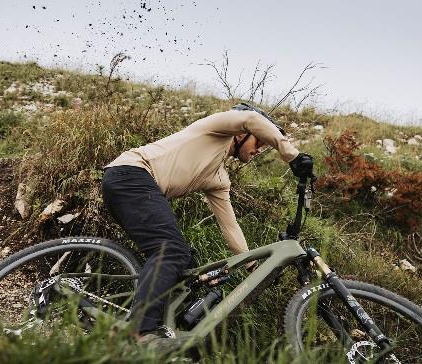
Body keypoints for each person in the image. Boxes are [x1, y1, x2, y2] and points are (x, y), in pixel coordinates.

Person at [101, 102, 313, 343]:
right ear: (242, 135)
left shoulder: (218, 178)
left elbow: (230, 227)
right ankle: (139, 330)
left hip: (131, 187)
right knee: (171, 250)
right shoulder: (216, 130)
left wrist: (254, 266)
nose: (258, 151)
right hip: (131, 175)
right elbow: (251, 119)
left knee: (185, 262)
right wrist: (291, 155)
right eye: (259, 143)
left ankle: (161, 328)